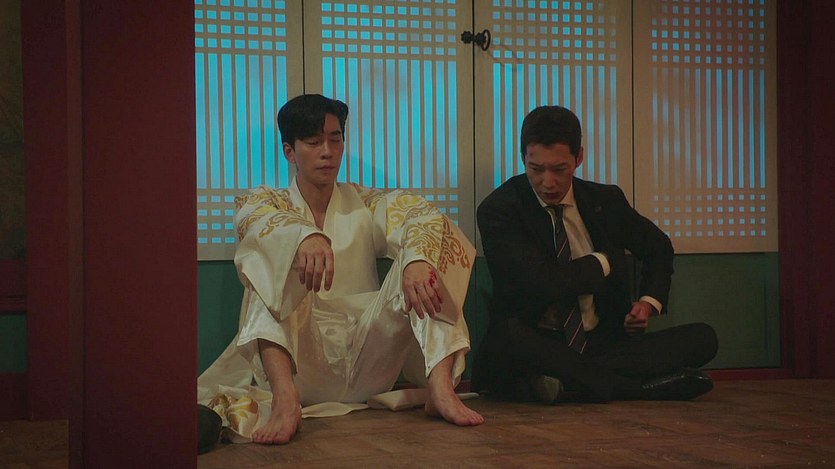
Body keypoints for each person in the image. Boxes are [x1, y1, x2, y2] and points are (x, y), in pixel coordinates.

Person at [198, 94, 484, 445]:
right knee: (269, 267)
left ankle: (440, 389)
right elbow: (254, 220)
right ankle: (286, 404)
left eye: (335, 139)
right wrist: (302, 237)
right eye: (313, 141)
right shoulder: (268, 202)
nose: (327, 152)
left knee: (424, 256)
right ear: (289, 151)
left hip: (368, 358)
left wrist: (417, 260)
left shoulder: (364, 201)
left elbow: (420, 215)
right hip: (303, 369)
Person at [471, 105, 718, 404]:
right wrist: (603, 263)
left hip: (600, 342)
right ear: (523, 158)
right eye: (536, 169)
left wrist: (647, 303)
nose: (547, 182)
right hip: (538, 341)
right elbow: (542, 283)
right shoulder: (500, 210)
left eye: (559, 169)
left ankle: (568, 382)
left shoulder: (605, 200)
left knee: (703, 338)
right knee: (511, 337)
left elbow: (658, 247)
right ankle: (638, 389)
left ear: (579, 158)